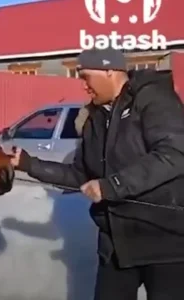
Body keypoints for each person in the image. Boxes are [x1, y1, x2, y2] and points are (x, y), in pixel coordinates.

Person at [11, 47, 184, 300]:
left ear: (110, 71)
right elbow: (80, 175)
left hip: (164, 242)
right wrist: (28, 164)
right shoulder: (94, 118)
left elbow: (174, 154)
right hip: (115, 246)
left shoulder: (154, 99)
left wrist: (112, 185)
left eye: (85, 77)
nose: (83, 86)